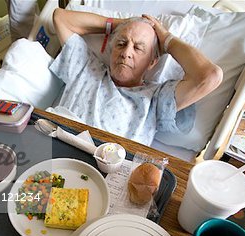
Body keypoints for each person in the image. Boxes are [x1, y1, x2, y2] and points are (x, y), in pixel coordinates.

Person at [50, 8, 223, 145]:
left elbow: (210, 76)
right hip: (54, 152)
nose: (126, 53)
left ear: (152, 62)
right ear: (111, 51)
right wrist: (123, 24)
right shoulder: (87, 68)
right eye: (121, 43)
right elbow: (61, 17)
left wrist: (166, 39)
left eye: (138, 48)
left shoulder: (155, 99)